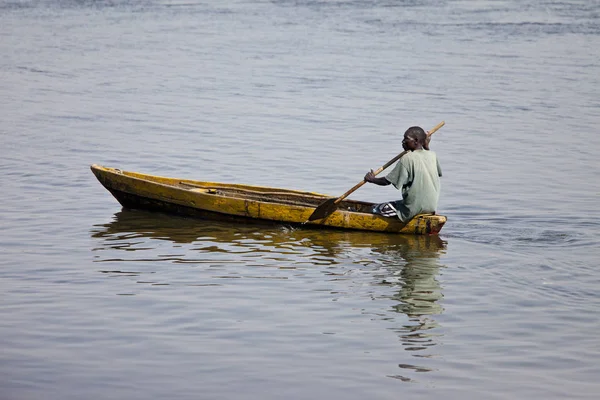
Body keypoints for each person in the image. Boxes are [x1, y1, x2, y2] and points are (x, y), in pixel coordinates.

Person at [364, 126, 442, 223]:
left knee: (375, 209)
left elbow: (387, 181)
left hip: (412, 209)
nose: (403, 142)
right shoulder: (432, 155)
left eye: (406, 139)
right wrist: (426, 146)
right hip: (430, 207)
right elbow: (434, 170)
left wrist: (371, 179)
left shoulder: (407, 158)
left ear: (416, 141)